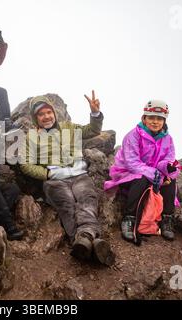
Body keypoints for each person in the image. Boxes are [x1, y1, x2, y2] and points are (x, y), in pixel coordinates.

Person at [19, 91, 115, 266]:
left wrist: (95, 113)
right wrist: (48, 174)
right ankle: (89, 242)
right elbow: (25, 164)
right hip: (55, 180)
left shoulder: (69, 127)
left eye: (49, 112)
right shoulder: (31, 138)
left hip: (79, 175)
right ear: (35, 118)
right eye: (41, 114)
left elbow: (93, 130)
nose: (46, 116)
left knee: (87, 199)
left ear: (54, 112)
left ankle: (84, 239)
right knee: (67, 204)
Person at [103, 100, 181, 242]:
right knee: (141, 178)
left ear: (164, 121)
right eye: (151, 117)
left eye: (159, 119)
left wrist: (168, 169)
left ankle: (167, 220)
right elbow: (132, 163)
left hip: (153, 175)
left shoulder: (168, 139)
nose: (155, 122)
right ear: (144, 118)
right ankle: (129, 219)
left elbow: (168, 159)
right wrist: (156, 175)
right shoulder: (133, 135)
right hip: (127, 174)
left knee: (171, 180)